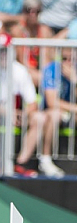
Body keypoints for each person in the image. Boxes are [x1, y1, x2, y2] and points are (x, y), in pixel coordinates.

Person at [38, 49, 76, 177]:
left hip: (71, 114)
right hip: (55, 112)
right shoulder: (51, 69)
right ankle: (45, 159)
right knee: (54, 114)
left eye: (71, 59)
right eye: (64, 59)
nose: (68, 63)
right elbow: (52, 102)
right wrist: (74, 108)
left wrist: (75, 80)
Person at [10, 0, 52, 86]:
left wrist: (45, 74)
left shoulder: (44, 30)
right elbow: (22, 61)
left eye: (37, 11)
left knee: (49, 78)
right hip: (22, 69)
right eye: (29, 10)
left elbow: (46, 58)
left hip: (38, 70)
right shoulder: (17, 30)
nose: (33, 14)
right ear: (24, 11)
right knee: (46, 80)